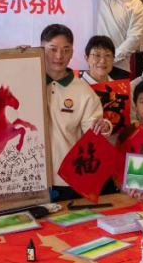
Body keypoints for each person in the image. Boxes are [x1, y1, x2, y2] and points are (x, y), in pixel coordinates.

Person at [41, 24, 111, 199]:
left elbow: (93, 132)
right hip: (30, 177)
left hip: (66, 179)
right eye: (53, 49)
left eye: (65, 50)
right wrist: (20, 59)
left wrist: (103, 126)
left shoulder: (83, 91)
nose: (59, 56)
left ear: (72, 53)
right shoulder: (27, 80)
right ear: (41, 49)